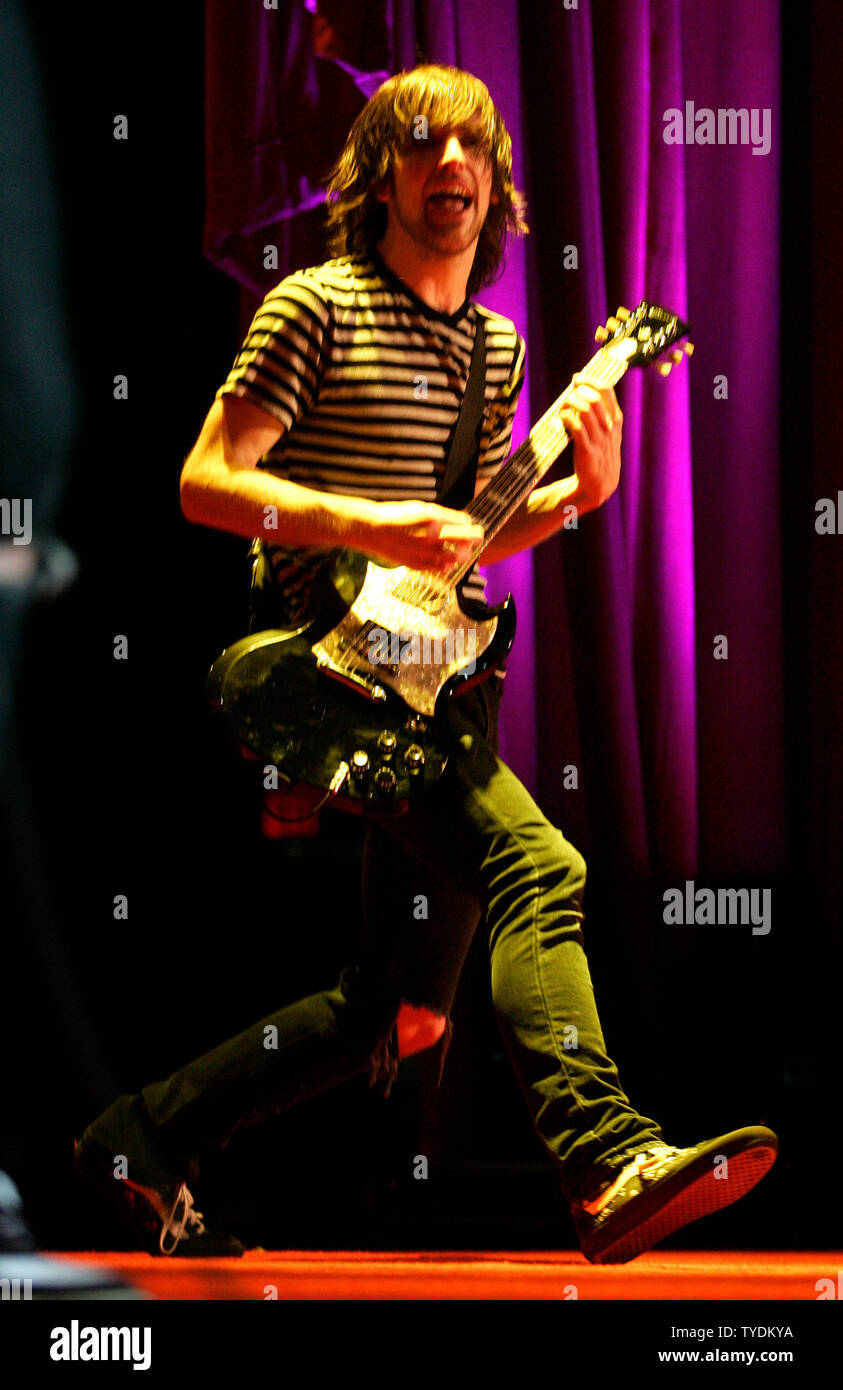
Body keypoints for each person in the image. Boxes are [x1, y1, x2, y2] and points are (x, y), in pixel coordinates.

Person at [75, 65, 777, 1265]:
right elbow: (207, 485)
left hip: (428, 682)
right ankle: (605, 1160)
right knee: (540, 865)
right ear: (379, 175)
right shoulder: (312, 307)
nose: (449, 165)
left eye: (472, 149)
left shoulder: (493, 351)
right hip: (326, 673)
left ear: (496, 186)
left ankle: (143, 1132)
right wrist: (366, 523)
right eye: (420, 145)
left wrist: (578, 500)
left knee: (401, 1013)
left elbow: (460, 537)